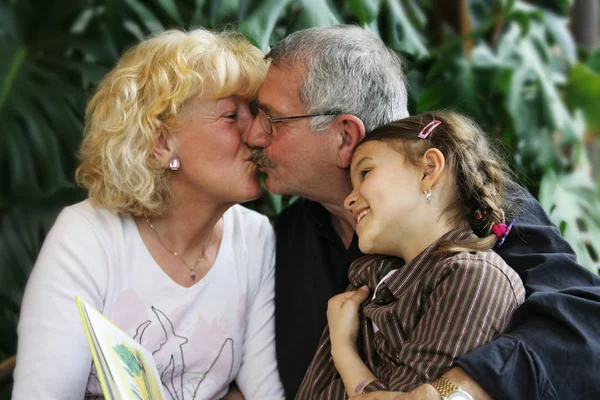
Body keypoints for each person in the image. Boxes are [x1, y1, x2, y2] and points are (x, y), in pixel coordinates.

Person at [244, 24, 600, 399]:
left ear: (345, 137)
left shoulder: (479, 203)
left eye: (272, 119)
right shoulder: (282, 238)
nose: (253, 135)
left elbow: (583, 326)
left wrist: (452, 389)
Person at [13, 28, 283, 400]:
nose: (256, 134)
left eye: (254, 112)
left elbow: (265, 392)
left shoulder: (255, 237)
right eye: (230, 115)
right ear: (160, 143)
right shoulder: (87, 237)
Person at [296, 111, 526, 398]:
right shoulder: (374, 280)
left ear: (429, 169)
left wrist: (343, 349)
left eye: (365, 172)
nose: (349, 199)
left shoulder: (475, 278)